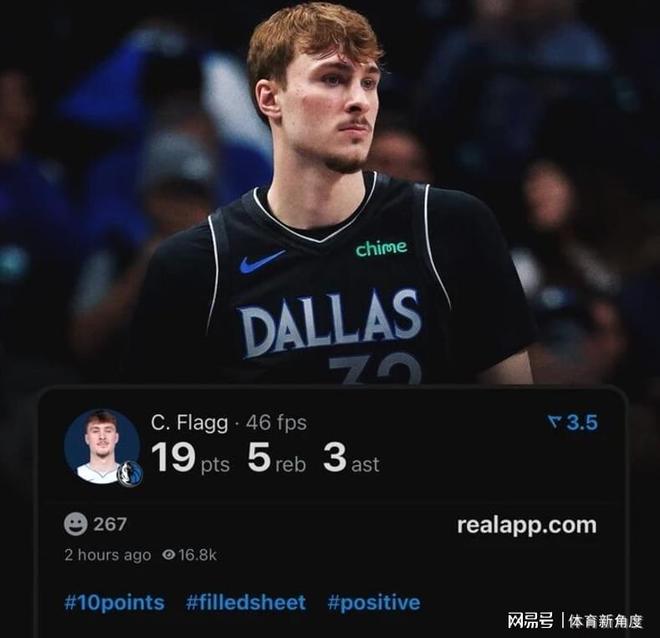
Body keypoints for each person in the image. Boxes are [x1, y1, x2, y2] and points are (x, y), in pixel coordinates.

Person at [126, 2, 535, 384]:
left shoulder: (449, 226)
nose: (359, 101)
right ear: (270, 98)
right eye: (333, 79)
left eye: (368, 82)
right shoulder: (198, 263)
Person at [76, 410, 120, 483]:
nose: (102, 437)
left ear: (116, 438)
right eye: (95, 431)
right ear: (87, 439)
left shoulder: (129, 476)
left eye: (108, 431)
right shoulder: (78, 473)